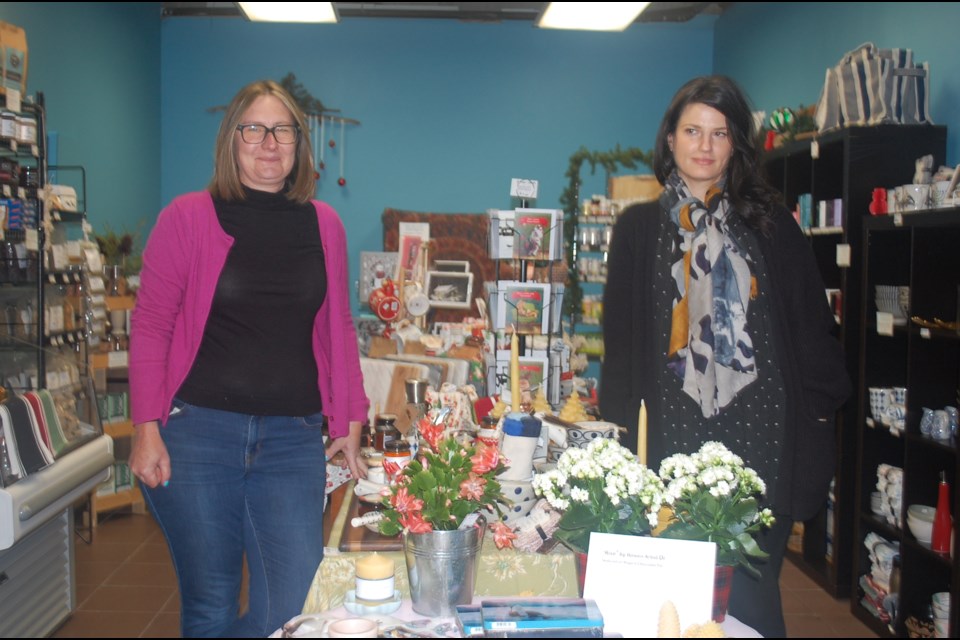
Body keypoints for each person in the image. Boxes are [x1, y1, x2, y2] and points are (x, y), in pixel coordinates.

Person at [599, 75, 851, 637]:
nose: (704, 146)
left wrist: (816, 417)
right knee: (671, 607)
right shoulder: (639, 230)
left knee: (752, 609)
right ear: (670, 139)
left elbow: (812, 332)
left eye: (719, 133)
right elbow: (620, 353)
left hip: (762, 446)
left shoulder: (771, 226)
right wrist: (620, 452)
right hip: (670, 446)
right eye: (692, 130)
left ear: (736, 143)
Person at [129, 79, 369, 638]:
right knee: (211, 602)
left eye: (282, 130)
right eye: (254, 129)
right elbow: (151, 326)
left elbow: (338, 327)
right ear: (231, 140)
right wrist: (145, 428)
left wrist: (349, 419)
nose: (269, 142)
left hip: (291, 439)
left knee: (288, 608)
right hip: (198, 435)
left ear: (298, 143)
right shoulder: (187, 217)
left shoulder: (324, 225)